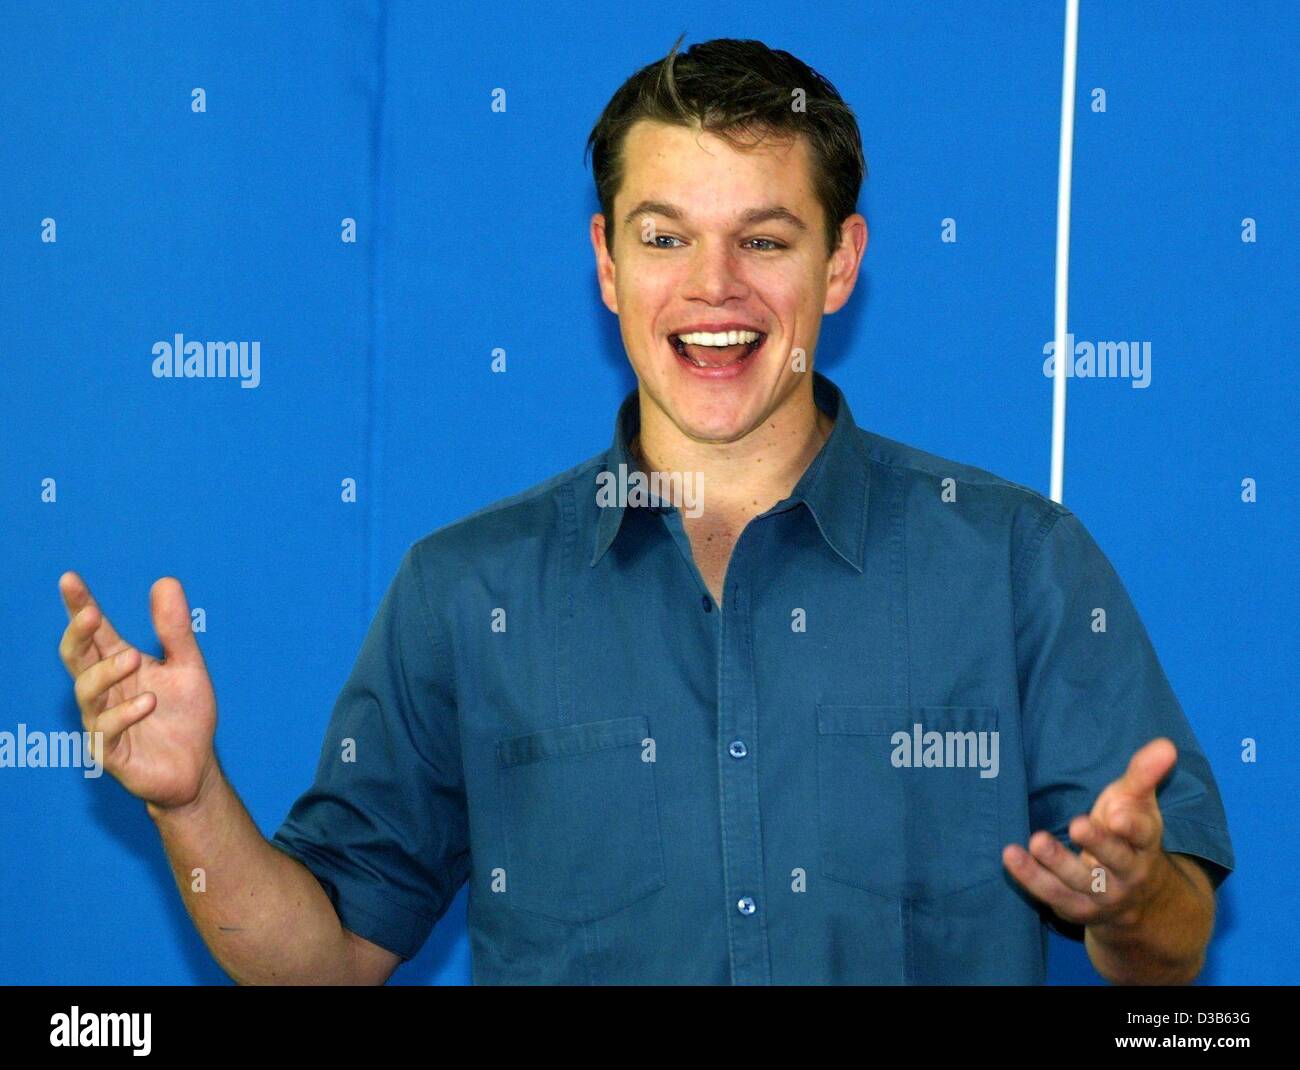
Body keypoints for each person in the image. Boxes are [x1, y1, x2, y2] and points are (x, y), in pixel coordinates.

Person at [58, 36, 1233, 985]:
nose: (711, 288)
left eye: (763, 240)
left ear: (838, 262)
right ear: (608, 263)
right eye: (664, 236)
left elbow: (1171, 951)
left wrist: (1131, 899)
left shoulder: (1016, 561)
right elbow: (316, 963)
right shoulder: (465, 590)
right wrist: (192, 803)